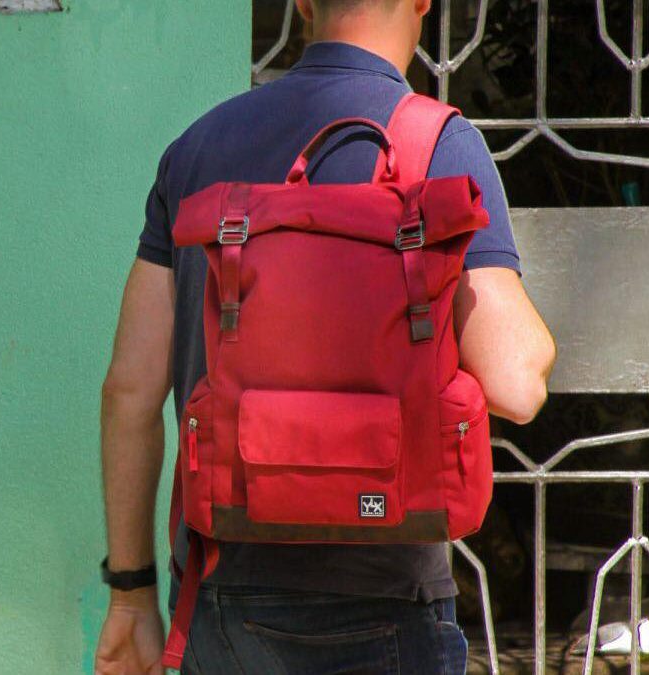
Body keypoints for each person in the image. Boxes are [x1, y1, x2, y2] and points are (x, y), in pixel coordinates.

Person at [94, 0, 557, 672]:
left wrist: (131, 597)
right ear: (422, 3)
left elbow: (130, 391)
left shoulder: (198, 148)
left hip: (219, 594)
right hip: (383, 598)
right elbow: (516, 382)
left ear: (302, 5)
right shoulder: (438, 145)